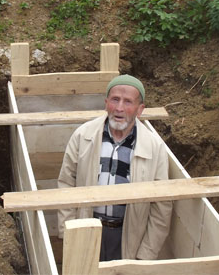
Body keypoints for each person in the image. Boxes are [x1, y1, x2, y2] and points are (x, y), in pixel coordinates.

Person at [57, 74, 172, 261]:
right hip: (87, 229)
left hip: (128, 236)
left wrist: (146, 254)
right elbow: (66, 184)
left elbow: (161, 208)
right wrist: (68, 232)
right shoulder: (83, 136)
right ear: (106, 103)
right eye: (115, 99)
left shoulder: (154, 147)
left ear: (140, 109)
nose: (119, 108)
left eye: (128, 102)